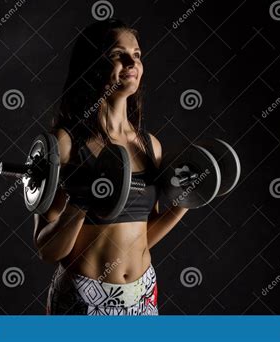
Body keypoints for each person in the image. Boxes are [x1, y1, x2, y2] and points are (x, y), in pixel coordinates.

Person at [33, 18, 189, 315]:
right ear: (92, 65)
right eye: (118, 54)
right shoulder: (65, 143)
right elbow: (47, 249)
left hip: (142, 294)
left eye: (137, 55)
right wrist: (80, 203)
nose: (132, 62)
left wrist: (184, 203)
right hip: (85, 297)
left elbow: (144, 236)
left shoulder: (150, 145)